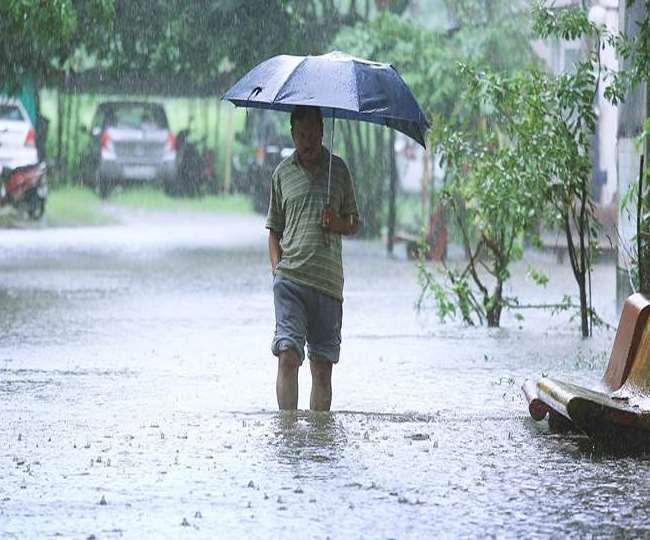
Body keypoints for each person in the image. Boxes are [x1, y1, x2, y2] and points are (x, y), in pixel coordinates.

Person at [266, 105, 360, 411]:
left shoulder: (339, 170)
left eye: (313, 135)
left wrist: (337, 224)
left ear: (322, 132)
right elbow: (273, 230)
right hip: (290, 280)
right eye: (302, 135)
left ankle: (319, 440)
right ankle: (288, 434)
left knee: (321, 368)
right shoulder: (281, 174)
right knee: (288, 356)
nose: (307, 142)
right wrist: (276, 271)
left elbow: (355, 223)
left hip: (328, 284)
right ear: (292, 134)